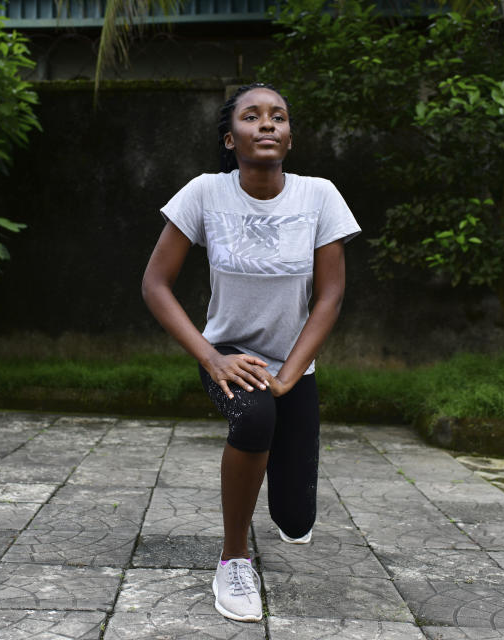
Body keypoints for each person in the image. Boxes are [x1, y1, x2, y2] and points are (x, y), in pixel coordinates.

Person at [141, 82, 360, 622]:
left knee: (295, 520)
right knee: (256, 415)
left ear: (288, 136)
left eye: (278, 117)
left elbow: (330, 295)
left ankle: (285, 513)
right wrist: (211, 358)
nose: (267, 124)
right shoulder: (204, 193)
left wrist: (291, 373)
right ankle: (234, 558)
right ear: (229, 138)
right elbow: (155, 284)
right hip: (229, 355)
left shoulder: (319, 195)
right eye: (252, 116)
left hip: (294, 363)